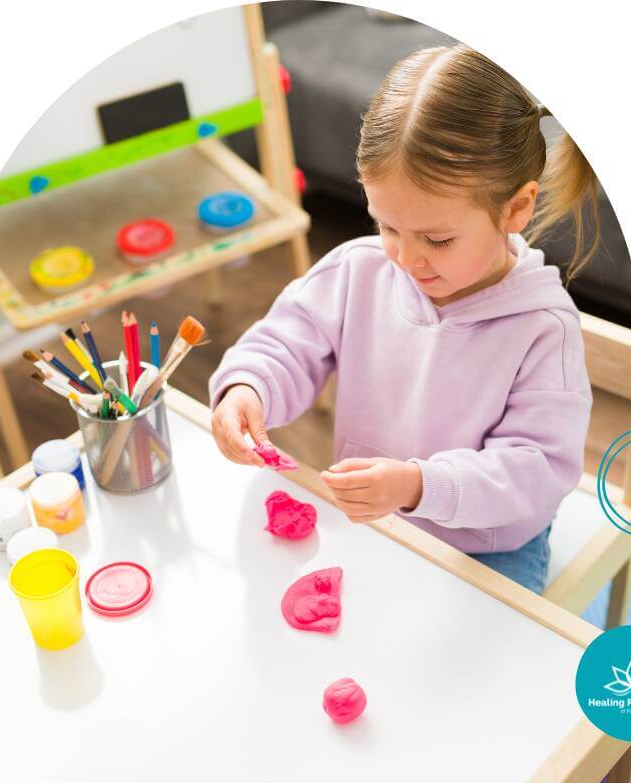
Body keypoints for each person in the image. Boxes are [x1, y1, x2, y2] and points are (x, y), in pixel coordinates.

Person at [209, 44, 599, 595]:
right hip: (380, 517)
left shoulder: (543, 330)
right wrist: (248, 387)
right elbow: (288, 342)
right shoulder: (359, 270)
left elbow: (534, 471)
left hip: (487, 545)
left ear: (515, 209)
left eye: (437, 239)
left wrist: (420, 486)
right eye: (386, 226)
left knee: (475, 675)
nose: (405, 258)